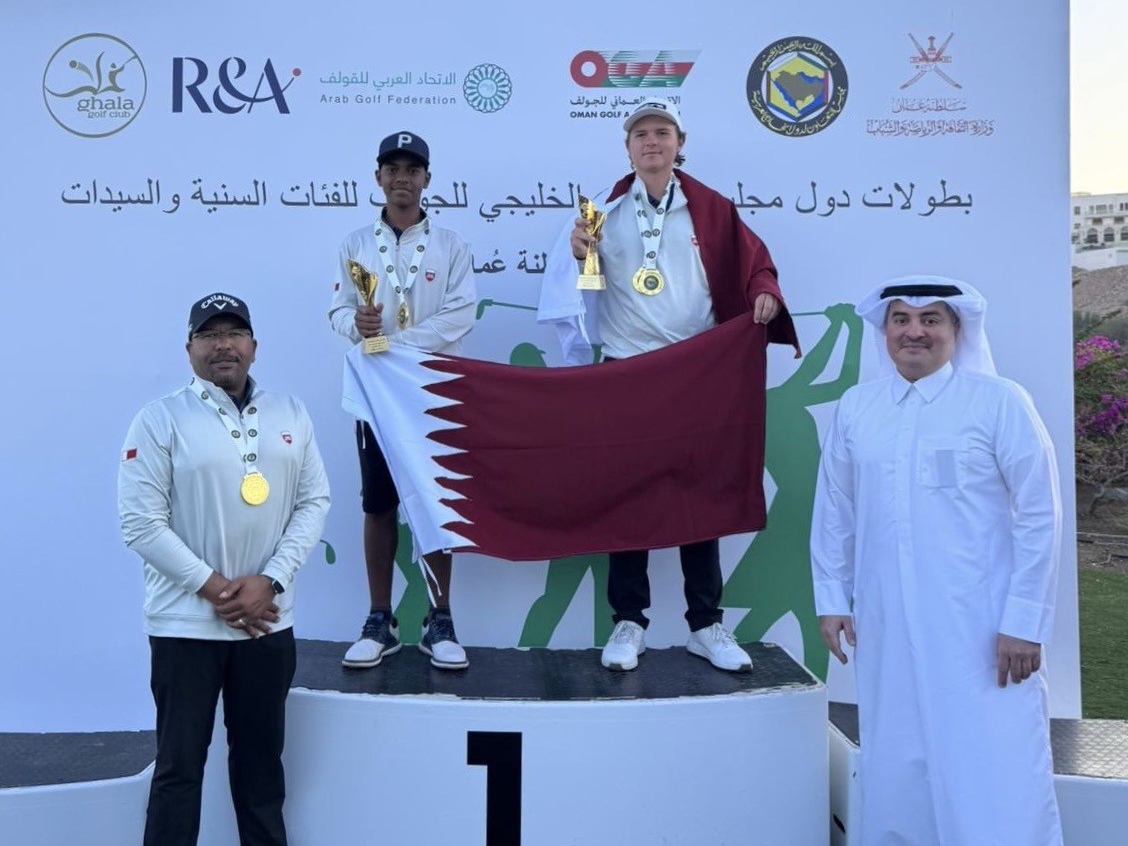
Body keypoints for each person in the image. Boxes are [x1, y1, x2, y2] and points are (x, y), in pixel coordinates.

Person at [541, 97, 799, 672]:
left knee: (698, 497)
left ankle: (706, 624)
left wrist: (764, 292)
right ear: (627, 147)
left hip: (695, 372)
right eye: (640, 134)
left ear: (681, 143)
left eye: (662, 132)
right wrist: (580, 254)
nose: (651, 142)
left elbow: (755, 262)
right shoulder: (600, 210)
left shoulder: (712, 208)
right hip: (628, 373)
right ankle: (628, 623)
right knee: (626, 498)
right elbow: (585, 290)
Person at [811, 277, 1063, 845]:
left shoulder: (999, 402)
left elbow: (1040, 515)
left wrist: (1024, 622)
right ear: (885, 330)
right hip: (887, 621)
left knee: (993, 762)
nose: (914, 331)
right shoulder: (858, 407)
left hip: (982, 629)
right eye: (901, 319)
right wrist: (832, 599)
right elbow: (835, 510)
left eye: (931, 320)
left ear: (956, 331)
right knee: (897, 758)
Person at [119, 292, 331, 846]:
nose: (223, 345)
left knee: (262, 775)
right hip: (184, 628)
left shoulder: (291, 412)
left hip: (267, 624)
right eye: (209, 335)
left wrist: (271, 582)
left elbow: (314, 504)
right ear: (189, 349)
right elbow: (141, 525)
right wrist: (217, 589)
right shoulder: (159, 419)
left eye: (234, 333)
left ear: (254, 347)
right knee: (178, 772)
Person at [329, 131, 476, 670]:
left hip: (434, 390)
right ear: (378, 178)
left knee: (437, 501)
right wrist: (356, 323)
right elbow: (338, 311)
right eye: (392, 168)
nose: (402, 178)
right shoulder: (355, 244)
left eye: (412, 169)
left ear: (427, 179)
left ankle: (440, 619)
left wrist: (394, 344)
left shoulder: (451, 245)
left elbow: (462, 315)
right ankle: (379, 618)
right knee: (379, 501)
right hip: (375, 393)